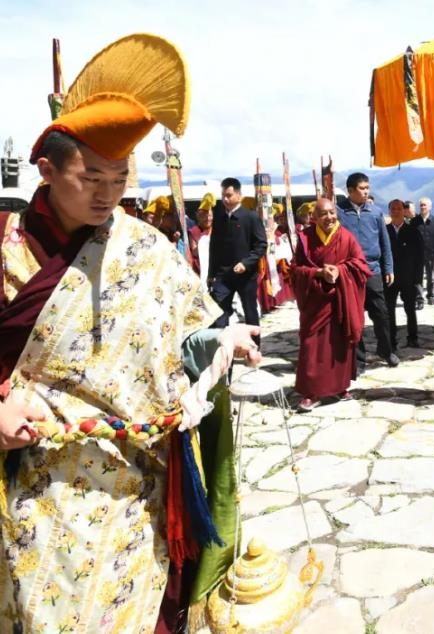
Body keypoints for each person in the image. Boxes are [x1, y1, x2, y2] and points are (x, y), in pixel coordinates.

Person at [0, 34, 260, 632]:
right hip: (41, 476)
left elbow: (188, 332)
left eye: (118, 178)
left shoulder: (143, 248)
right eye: (90, 177)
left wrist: (225, 342)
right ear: (46, 170)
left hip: (137, 478)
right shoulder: (8, 247)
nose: (107, 194)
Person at [291, 197, 371, 410]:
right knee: (311, 346)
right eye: (323, 214)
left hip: (340, 300)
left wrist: (340, 271)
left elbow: (360, 265)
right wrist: (318, 272)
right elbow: (295, 270)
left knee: (340, 344)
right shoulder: (306, 238)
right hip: (315, 302)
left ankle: (340, 386)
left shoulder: (346, 237)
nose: (329, 217)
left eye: (332, 213)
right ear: (314, 217)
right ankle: (311, 392)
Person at [337, 173, 399, 368]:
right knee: (354, 316)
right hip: (349, 271)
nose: (366, 192)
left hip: (373, 270)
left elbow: (384, 242)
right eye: (362, 188)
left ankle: (386, 350)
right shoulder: (339, 213)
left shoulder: (375, 213)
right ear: (350, 190)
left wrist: (388, 267)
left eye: (367, 188)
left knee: (381, 313)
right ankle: (358, 357)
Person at [209, 177, 268, 342]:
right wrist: (211, 273)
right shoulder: (219, 216)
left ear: (239, 195)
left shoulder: (250, 217)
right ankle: (220, 346)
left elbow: (261, 245)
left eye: (229, 195)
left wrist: (246, 263)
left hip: (245, 275)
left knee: (250, 311)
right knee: (219, 310)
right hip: (223, 275)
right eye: (223, 195)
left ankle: (254, 346)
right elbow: (214, 247)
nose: (225, 199)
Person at [386, 199, 423, 349]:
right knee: (389, 310)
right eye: (393, 209)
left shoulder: (413, 231)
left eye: (399, 209)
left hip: (408, 277)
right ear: (389, 211)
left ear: (404, 211)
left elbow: (420, 256)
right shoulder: (385, 231)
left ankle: (412, 337)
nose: (396, 211)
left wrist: (417, 279)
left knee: (410, 309)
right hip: (390, 278)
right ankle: (391, 339)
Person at [412, 197, 434, 307]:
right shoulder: (414, 221)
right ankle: (419, 298)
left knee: (431, 276)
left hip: (431, 254)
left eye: (424, 205)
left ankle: (431, 295)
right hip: (417, 254)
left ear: (430, 207)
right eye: (421, 205)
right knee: (417, 277)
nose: (422, 207)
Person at [189, 192, 216, 292]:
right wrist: (204, 243)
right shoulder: (194, 231)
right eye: (204, 216)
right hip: (200, 268)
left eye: (209, 215)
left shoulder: (216, 230)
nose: (208, 219)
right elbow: (194, 252)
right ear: (198, 216)